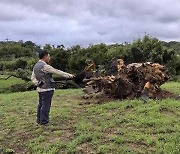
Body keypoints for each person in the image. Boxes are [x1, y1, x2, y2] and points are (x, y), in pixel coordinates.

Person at [31, 50, 74, 125]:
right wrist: (69, 75)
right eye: (49, 56)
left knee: (40, 104)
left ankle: (39, 120)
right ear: (45, 56)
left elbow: (33, 78)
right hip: (48, 88)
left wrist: (38, 84)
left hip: (40, 89)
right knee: (46, 105)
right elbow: (57, 72)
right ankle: (44, 121)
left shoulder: (36, 66)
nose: (49, 58)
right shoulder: (45, 66)